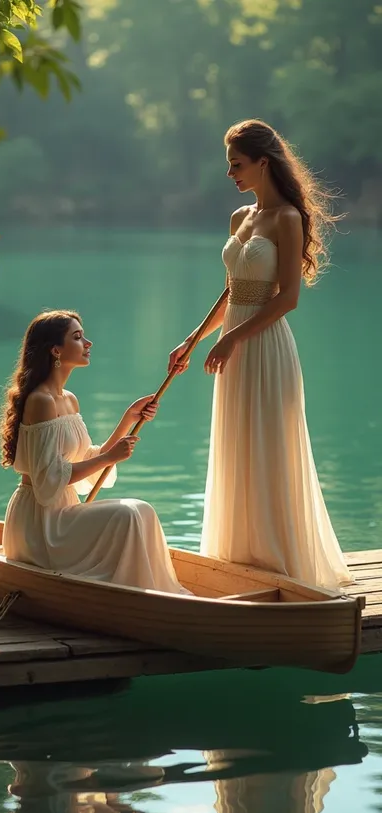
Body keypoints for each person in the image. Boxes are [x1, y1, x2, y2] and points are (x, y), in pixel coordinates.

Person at [168, 119, 352, 590]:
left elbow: (286, 297)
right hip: (233, 344)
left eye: (237, 164)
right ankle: (238, 558)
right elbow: (232, 291)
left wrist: (231, 339)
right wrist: (196, 338)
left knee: (269, 444)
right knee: (236, 443)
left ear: (262, 162)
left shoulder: (287, 218)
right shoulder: (239, 217)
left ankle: (280, 564)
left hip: (265, 347)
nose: (230, 173)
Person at [0, 309, 188, 594]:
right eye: (77, 337)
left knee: (142, 511)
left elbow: (88, 459)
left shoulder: (69, 400)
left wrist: (129, 419)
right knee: (128, 515)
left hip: (64, 511)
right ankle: (132, 596)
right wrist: (109, 458)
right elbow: (48, 479)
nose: (88, 343)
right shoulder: (40, 401)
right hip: (40, 525)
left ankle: (151, 594)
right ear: (55, 350)